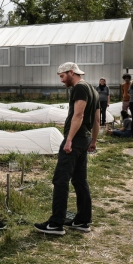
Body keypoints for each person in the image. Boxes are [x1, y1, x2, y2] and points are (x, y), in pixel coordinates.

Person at [34, 62, 99, 236]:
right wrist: (93, 140)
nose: (62, 81)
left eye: (62, 76)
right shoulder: (93, 90)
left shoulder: (79, 88)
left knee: (61, 180)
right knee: (79, 180)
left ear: (71, 72)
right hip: (84, 139)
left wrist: (68, 140)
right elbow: (97, 119)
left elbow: (79, 114)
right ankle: (82, 220)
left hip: (75, 140)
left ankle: (56, 223)